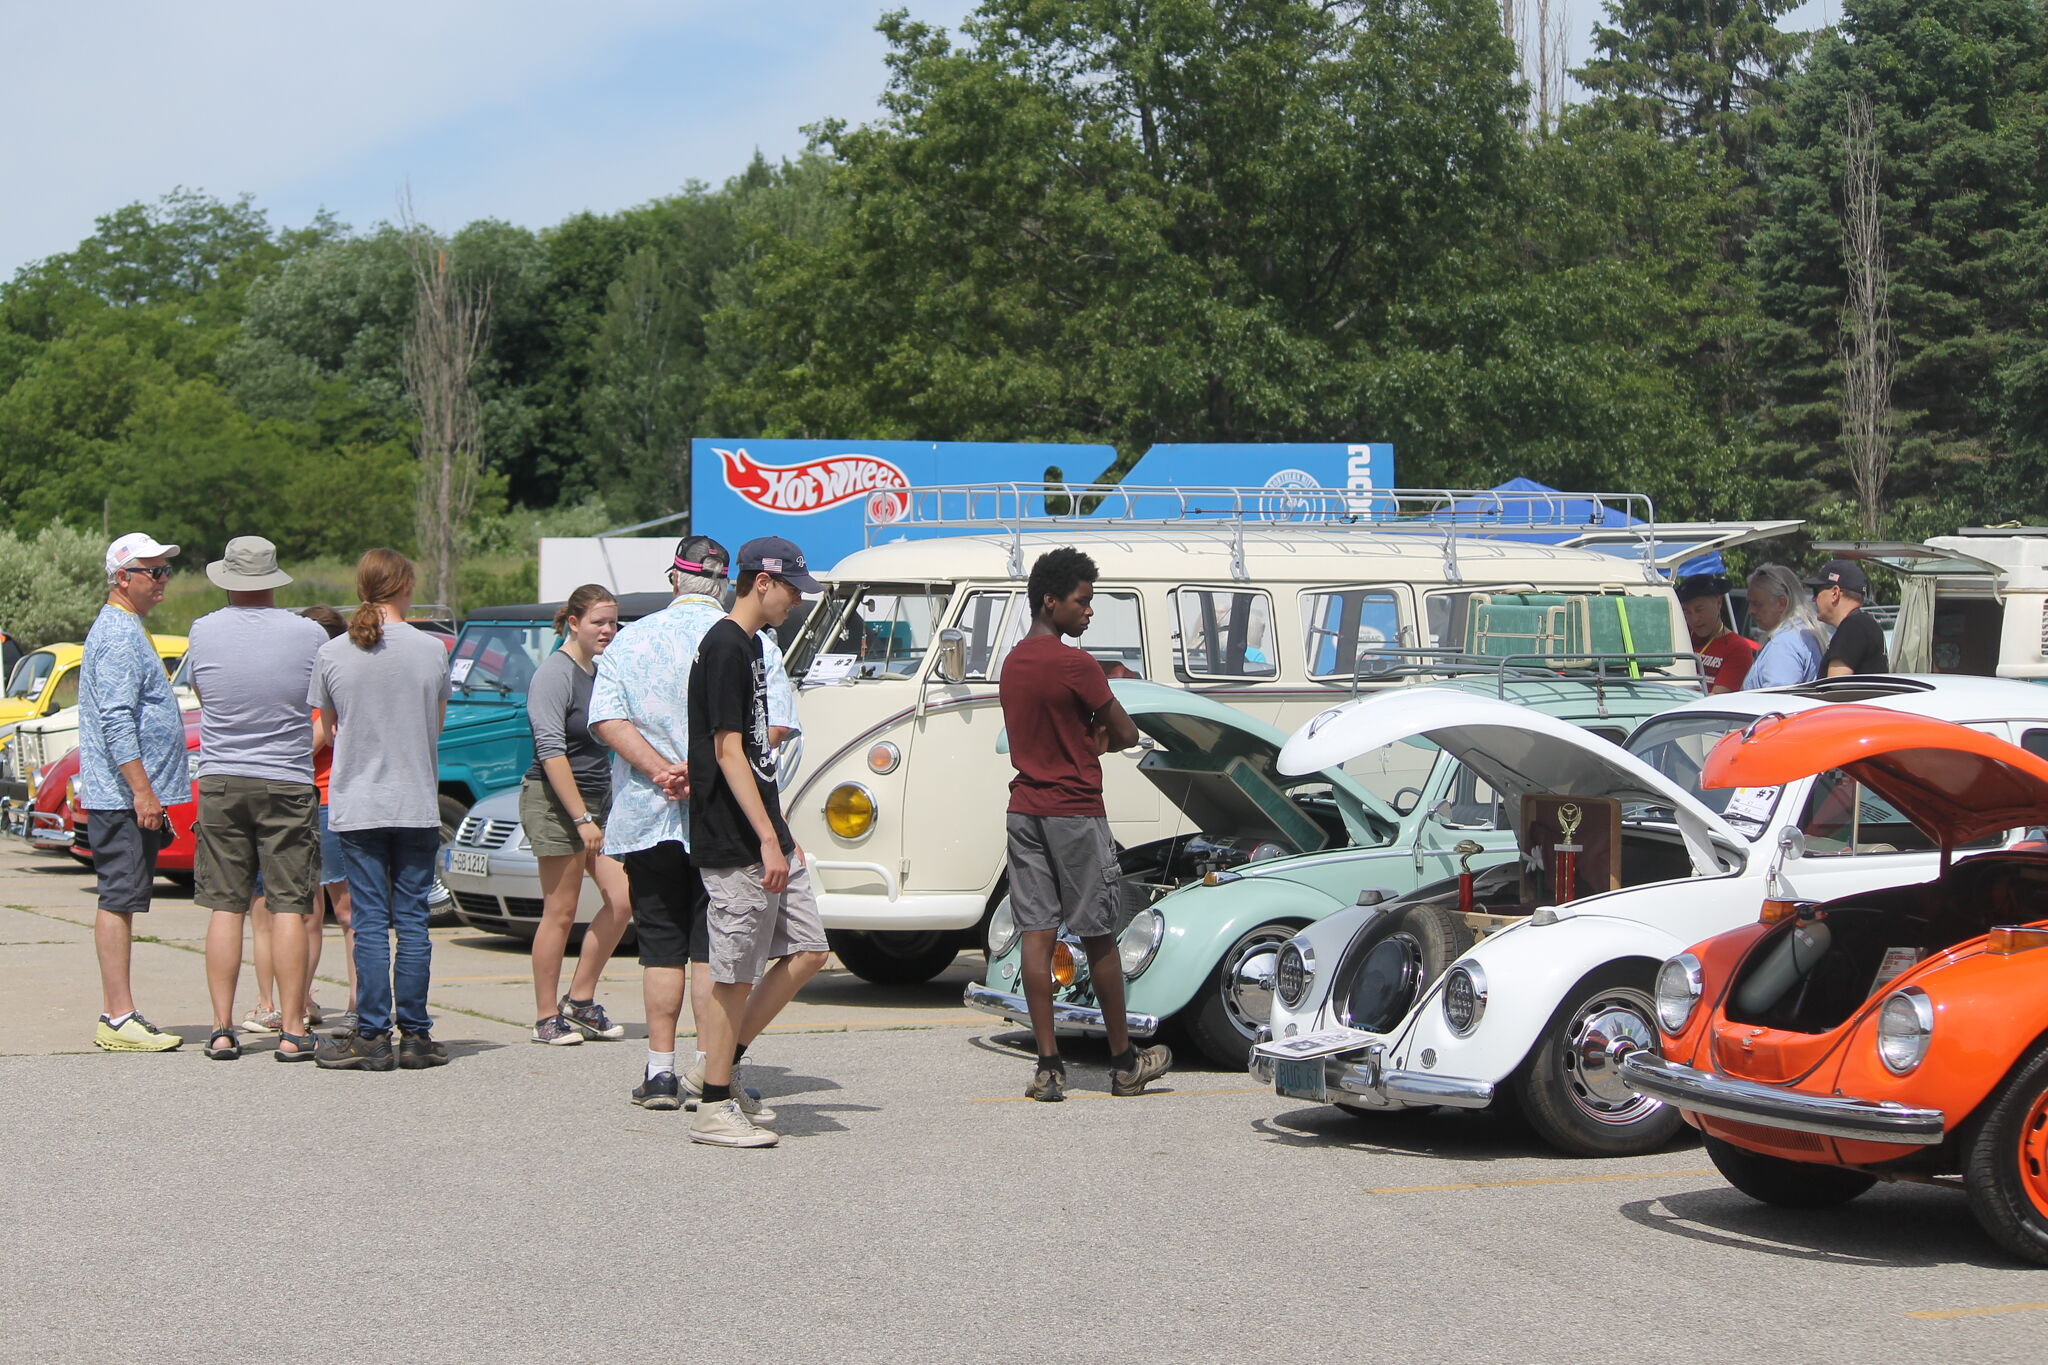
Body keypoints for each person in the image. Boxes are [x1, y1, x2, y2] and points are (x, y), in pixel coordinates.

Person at [587, 535, 799, 1113]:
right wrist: (698, 767)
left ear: (673, 579)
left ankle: (659, 1069)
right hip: (724, 819)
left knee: (660, 943)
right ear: (725, 581)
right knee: (714, 951)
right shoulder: (751, 641)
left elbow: (605, 716)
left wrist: (660, 770)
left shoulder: (631, 640)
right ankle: (711, 1067)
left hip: (648, 816)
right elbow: (775, 726)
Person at [998, 547, 1172, 1102]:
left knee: (1036, 932)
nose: (1089, 612)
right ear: (1051, 601)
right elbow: (1124, 733)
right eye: (1082, 601)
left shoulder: (1013, 662)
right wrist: (1091, 740)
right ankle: (1123, 1062)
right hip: (1075, 810)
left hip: (1025, 808)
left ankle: (1048, 1066)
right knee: (1098, 932)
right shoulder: (1077, 664)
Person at [686, 536, 832, 1148]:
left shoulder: (750, 647)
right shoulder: (724, 645)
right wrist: (767, 839)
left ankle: (720, 1064)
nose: (797, 601)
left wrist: (781, 832)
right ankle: (715, 1106)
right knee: (735, 972)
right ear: (761, 582)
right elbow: (724, 751)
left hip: (767, 828)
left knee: (810, 948)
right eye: (793, 589)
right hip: (737, 836)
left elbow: (747, 744)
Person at [186, 537, 330, 1061]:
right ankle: (292, 1030)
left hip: (223, 777)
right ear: (274, 580)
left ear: (227, 580)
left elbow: (205, 697)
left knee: (225, 907)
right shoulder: (309, 633)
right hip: (288, 778)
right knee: (289, 904)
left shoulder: (203, 630)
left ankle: (222, 1029)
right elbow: (319, 702)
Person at [310, 549, 452, 1071]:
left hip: (357, 801)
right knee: (412, 921)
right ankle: (415, 1033)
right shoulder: (432, 649)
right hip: (414, 800)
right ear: (405, 587)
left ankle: (371, 1034)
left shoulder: (334, 653)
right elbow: (434, 727)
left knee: (369, 922)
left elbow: (323, 730)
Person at [78, 532, 191, 1052]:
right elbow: (117, 721)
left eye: (166, 570)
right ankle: (119, 1016)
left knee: (123, 899)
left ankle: (118, 1013)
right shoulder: (120, 635)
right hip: (121, 798)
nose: (164, 580)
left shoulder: (127, 628)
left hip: (123, 795)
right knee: (119, 899)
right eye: (154, 572)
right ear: (123, 578)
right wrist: (143, 793)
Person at [524, 584, 632, 1045]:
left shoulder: (599, 671)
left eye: (612, 622)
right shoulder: (555, 673)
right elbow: (551, 752)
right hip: (555, 802)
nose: (608, 630)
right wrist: (581, 819)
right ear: (573, 623)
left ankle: (581, 1001)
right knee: (561, 911)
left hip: (597, 801)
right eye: (598, 622)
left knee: (623, 900)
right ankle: (546, 1016)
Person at [301, 603, 356, 1033]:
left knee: (346, 908)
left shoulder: (335, 682)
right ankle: (301, 997)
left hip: (330, 800)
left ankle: (359, 997)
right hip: (307, 799)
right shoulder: (307, 683)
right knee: (307, 911)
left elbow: (313, 742)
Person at [1743, 564, 1827, 690]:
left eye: (1757, 604)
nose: (1751, 610)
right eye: (1749, 603)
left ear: (1782, 603)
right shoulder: (1804, 634)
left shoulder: (1784, 644)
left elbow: (1776, 701)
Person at [1676, 573, 1756, 694]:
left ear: (1719, 603)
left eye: (1699, 610)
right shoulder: (1680, 635)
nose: (1694, 619)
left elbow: (1717, 698)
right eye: (1687, 612)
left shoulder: (1737, 648)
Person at [1810, 559, 1889, 677]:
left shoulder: (1852, 627)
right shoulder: (1866, 624)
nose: (1813, 599)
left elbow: (1834, 689)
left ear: (1835, 593)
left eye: (1816, 591)